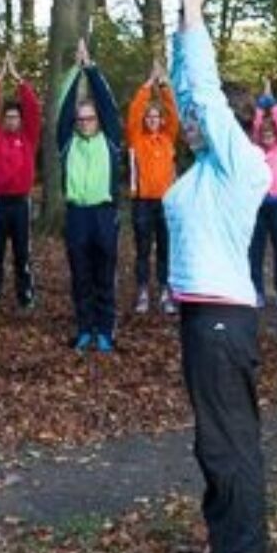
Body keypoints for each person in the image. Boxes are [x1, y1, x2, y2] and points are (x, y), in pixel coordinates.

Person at [164, 0, 273, 553]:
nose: (188, 121)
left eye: (200, 118)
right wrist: (180, 21)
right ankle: (224, 545)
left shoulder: (242, 165)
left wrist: (196, 11)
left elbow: (202, 92)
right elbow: (189, 90)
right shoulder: (203, 166)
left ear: (225, 124)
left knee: (229, 439)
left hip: (224, 318)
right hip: (200, 315)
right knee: (213, 441)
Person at [58, 41, 122, 352]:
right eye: (81, 119)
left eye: (90, 118)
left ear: (98, 120)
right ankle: (85, 328)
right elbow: (62, 111)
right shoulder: (67, 142)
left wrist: (91, 69)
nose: (85, 123)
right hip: (77, 215)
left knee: (104, 274)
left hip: (104, 214)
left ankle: (106, 329)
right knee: (80, 275)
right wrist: (75, 72)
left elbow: (108, 106)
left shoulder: (110, 140)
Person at [0, 53, 40, 310]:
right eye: (8, 117)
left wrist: (19, 81)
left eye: (16, 117)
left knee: (22, 254)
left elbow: (34, 109)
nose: (12, 120)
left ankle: (25, 295)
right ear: (3, 120)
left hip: (22, 203)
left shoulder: (28, 137)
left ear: (20, 120)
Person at [127, 59, 181, 315]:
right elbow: (134, 112)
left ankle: (165, 291)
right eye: (148, 117)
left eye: (155, 117)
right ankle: (142, 291)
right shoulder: (136, 139)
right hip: (142, 202)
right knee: (142, 249)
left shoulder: (168, 138)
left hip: (166, 202)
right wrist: (148, 85)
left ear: (161, 120)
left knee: (165, 248)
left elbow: (173, 113)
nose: (152, 120)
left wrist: (165, 86)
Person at [249, 78, 277, 311]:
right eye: (264, 133)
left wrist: (271, 102)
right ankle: (257, 291)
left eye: (270, 132)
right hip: (258, 205)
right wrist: (260, 107)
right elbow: (256, 127)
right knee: (255, 249)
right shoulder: (256, 149)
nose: (267, 135)